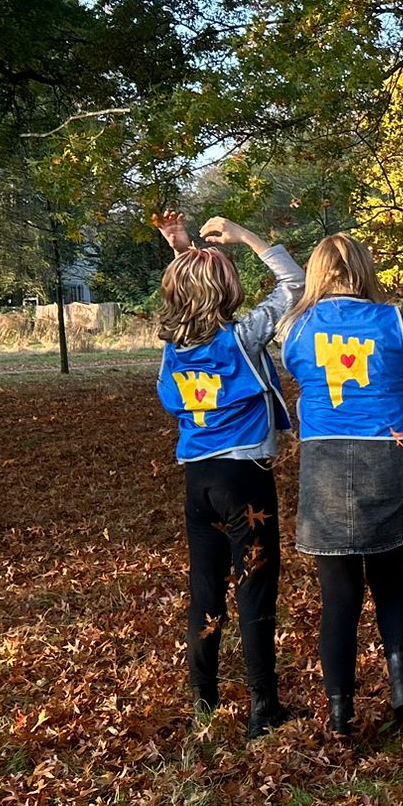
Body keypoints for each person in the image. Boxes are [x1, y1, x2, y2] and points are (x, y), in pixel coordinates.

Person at [152, 213, 304, 738]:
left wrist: (181, 253)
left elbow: (190, 299)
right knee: (256, 590)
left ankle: (204, 701)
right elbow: (295, 284)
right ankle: (264, 708)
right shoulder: (243, 338)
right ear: (226, 290)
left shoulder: (176, 348)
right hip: (245, 482)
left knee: (206, 590)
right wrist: (246, 237)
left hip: (199, 482)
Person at [279, 234, 403, 737]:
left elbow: (298, 373)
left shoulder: (296, 325)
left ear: (317, 273)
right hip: (388, 455)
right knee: (390, 578)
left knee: (338, 594)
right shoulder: (395, 320)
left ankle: (340, 710)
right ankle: (401, 683)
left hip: (324, 460)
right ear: (365, 268)